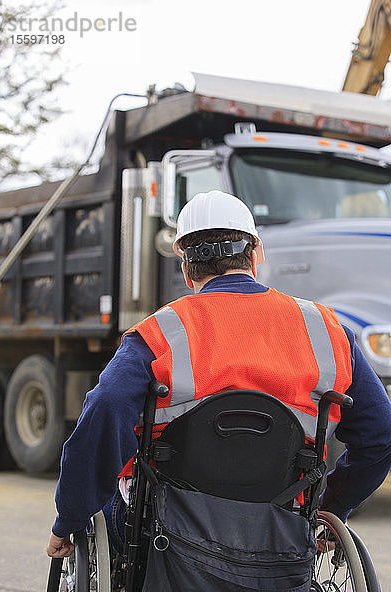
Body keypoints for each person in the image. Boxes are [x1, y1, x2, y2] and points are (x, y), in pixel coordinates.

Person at [47, 189, 391, 559]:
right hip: (283, 524)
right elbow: (381, 434)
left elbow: (105, 410)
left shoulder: (159, 332)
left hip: (169, 529)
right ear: (256, 254)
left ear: (185, 267)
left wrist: (70, 518)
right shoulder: (328, 330)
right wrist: (333, 506)